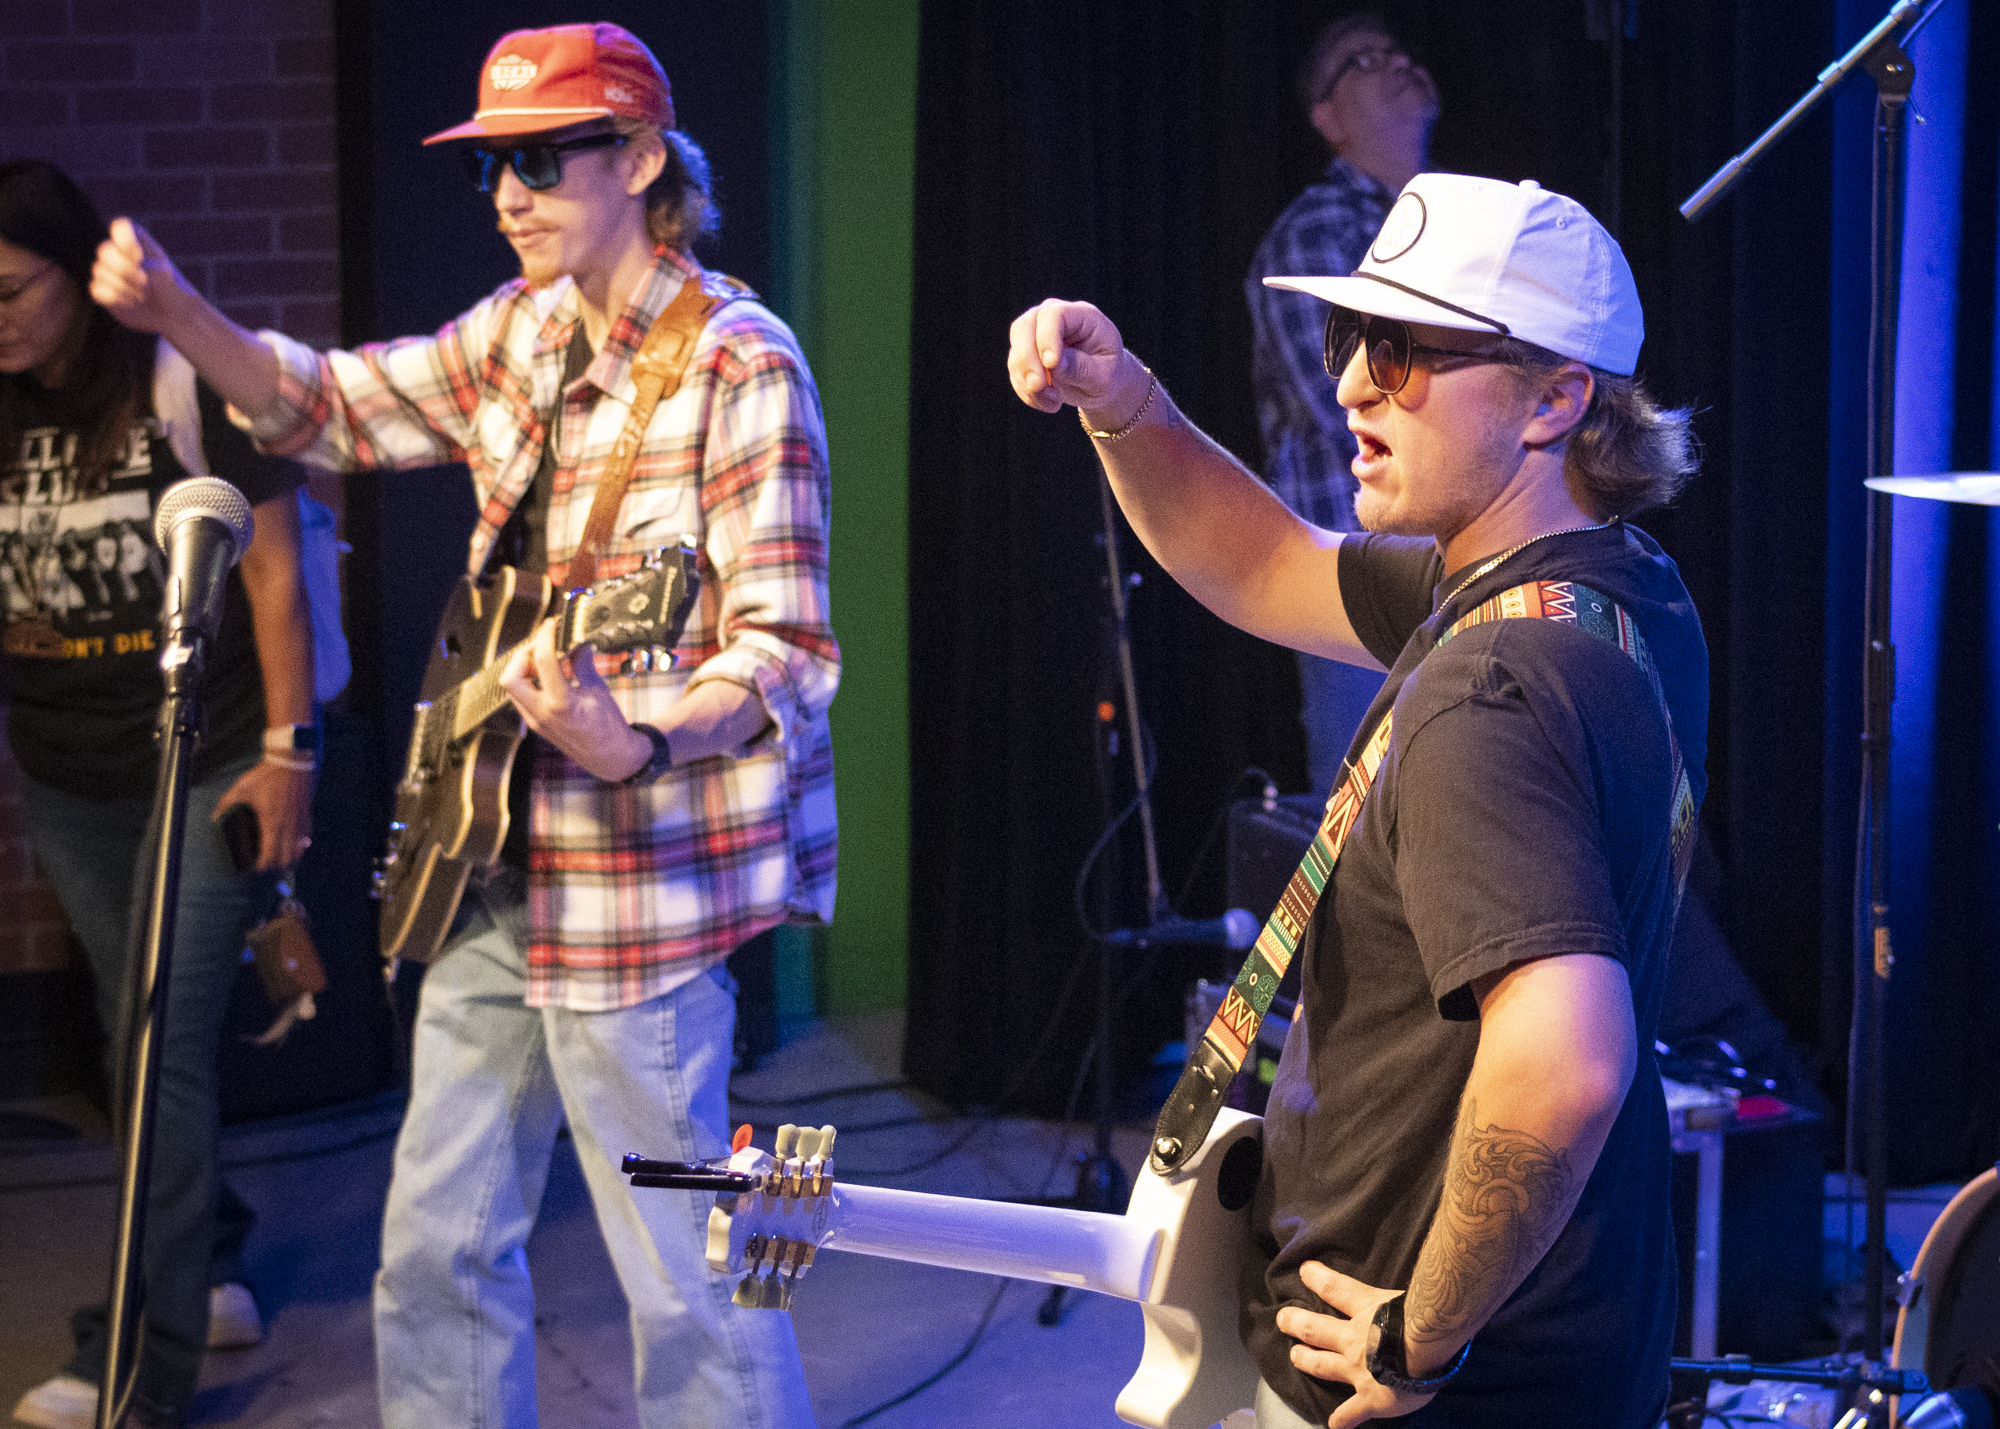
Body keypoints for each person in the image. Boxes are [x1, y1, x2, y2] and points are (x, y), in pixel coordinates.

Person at [91, 22, 836, 1428]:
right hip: (491, 856)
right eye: (493, 164)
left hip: (642, 896)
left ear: (635, 158)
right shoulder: (524, 328)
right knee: (434, 1247)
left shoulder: (742, 367)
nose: (506, 192)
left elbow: (786, 654)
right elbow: (330, 408)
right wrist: (179, 313)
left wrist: (642, 740)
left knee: (691, 1275)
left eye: (539, 159)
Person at [1008, 172, 1703, 1427]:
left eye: (1404, 349)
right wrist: (1121, 403)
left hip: (1430, 1384)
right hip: (1579, 1333)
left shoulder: (1486, 685)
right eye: (1348, 338)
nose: (1350, 385)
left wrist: (1420, 1338)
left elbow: (1565, 1064)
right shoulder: (1602, 584)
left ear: (1555, 398)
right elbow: (1266, 559)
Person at [2, 158, 312, 1429]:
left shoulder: (178, 382)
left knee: (158, 1045)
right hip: (69, 773)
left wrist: (291, 752)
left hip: (211, 754)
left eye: (15, 289)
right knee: (148, 1048)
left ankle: (138, 1362)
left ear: (77, 274)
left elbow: (277, 576)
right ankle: (217, 1247)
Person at [1247, 12, 1438, 796]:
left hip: (1454, 573)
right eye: (1365, 60)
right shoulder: (1312, 238)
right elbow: (1354, 405)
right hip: (1359, 590)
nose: (1396, 62)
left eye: (1399, 48)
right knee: (1366, 846)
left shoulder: (1451, 231)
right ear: (1326, 118)